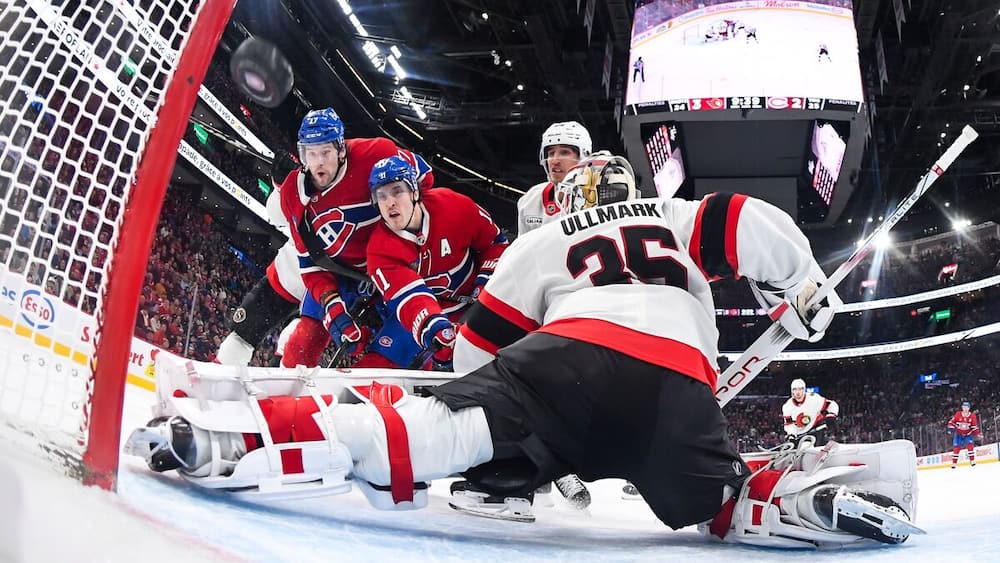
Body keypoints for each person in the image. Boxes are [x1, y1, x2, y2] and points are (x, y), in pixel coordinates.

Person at [126, 155, 923, 546]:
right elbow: (746, 219)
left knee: (430, 426)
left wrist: (504, 430)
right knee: (716, 499)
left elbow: (475, 355)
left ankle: (242, 436)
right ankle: (806, 496)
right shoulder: (673, 219)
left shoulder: (546, 239)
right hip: (680, 388)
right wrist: (805, 284)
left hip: (565, 364)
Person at [277, 107, 433, 369]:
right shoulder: (292, 195)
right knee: (299, 349)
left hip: (396, 270)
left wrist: (405, 235)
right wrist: (334, 309)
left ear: (340, 148)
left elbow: (425, 178)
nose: (319, 163)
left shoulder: (378, 154)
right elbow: (311, 265)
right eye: (310, 154)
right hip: (344, 274)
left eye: (325, 152)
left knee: (378, 368)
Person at [364, 156, 508, 370]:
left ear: (414, 192)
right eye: (381, 196)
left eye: (397, 191)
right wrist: (436, 329)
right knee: (374, 369)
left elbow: (496, 243)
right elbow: (411, 300)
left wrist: (486, 283)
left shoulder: (454, 205)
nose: (390, 202)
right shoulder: (379, 250)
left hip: (477, 309)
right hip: (424, 319)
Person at [515, 121, 592, 236]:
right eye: (551, 153)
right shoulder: (530, 200)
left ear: (583, 156)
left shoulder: (598, 196)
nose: (555, 161)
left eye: (564, 152)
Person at [781, 378, 839, 444]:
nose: (798, 392)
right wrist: (791, 435)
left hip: (816, 428)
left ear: (804, 389)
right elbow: (789, 424)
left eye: (800, 389)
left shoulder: (814, 398)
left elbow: (832, 404)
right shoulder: (787, 406)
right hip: (800, 433)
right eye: (795, 389)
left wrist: (831, 415)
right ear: (792, 391)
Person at [947, 401, 981, 468]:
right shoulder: (958, 414)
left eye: (966, 407)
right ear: (962, 408)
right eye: (964, 407)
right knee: (956, 448)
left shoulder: (972, 416)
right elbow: (951, 422)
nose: (965, 409)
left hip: (968, 434)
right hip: (958, 434)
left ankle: (972, 461)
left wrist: (977, 434)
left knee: (970, 446)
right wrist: (950, 428)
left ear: (969, 408)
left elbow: (974, 426)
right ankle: (954, 463)